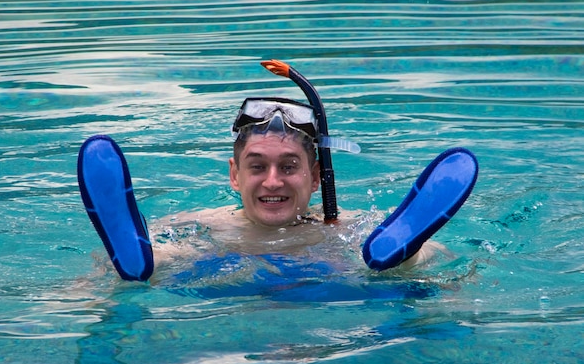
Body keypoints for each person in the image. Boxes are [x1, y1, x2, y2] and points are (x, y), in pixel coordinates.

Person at [77, 60, 478, 284]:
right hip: (220, 277)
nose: (273, 181)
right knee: (168, 256)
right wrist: (107, 272)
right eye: (257, 167)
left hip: (319, 279)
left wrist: (420, 255)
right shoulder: (199, 224)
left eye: (289, 167)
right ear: (234, 175)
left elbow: (452, 264)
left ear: (316, 175)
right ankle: (143, 263)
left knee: (401, 263)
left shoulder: (350, 228)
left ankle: (400, 256)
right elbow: (98, 261)